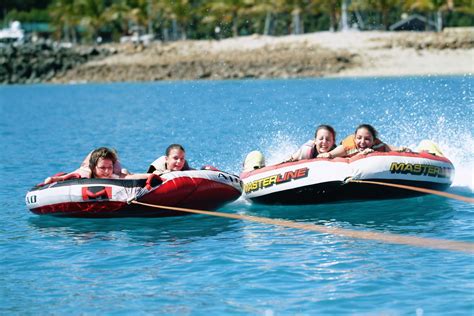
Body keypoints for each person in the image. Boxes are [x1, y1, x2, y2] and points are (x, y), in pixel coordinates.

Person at [44, 147, 148, 184]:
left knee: (124, 172)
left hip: (119, 171)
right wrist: (53, 179)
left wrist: (153, 176)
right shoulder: (86, 173)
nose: (107, 172)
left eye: (109, 168)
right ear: (94, 168)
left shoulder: (115, 172)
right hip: (87, 169)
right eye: (102, 168)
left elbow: (133, 177)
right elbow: (63, 178)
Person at [318, 124, 410, 158]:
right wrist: (328, 154)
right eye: (359, 138)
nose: (362, 142)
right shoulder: (348, 147)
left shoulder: (377, 146)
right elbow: (331, 155)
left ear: (373, 141)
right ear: (354, 138)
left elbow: (388, 148)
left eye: (367, 139)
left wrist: (401, 149)